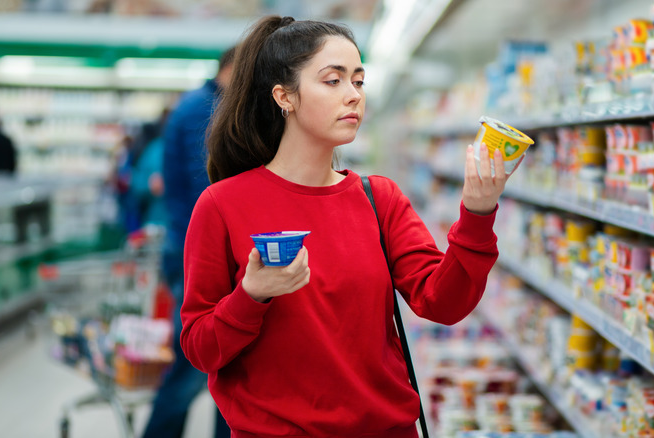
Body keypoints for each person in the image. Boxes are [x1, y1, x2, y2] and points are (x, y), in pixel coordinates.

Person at [181, 16, 513, 438]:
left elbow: (443, 303)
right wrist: (252, 295)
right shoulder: (223, 205)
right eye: (333, 81)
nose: (353, 96)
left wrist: (478, 214)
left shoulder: (379, 200)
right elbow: (200, 348)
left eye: (358, 81)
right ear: (285, 97)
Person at [141, 48, 236, 438]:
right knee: (192, 368)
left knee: (219, 367)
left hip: (189, 248)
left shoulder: (201, 104)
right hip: (195, 253)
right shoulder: (205, 110)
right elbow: (212, 190)